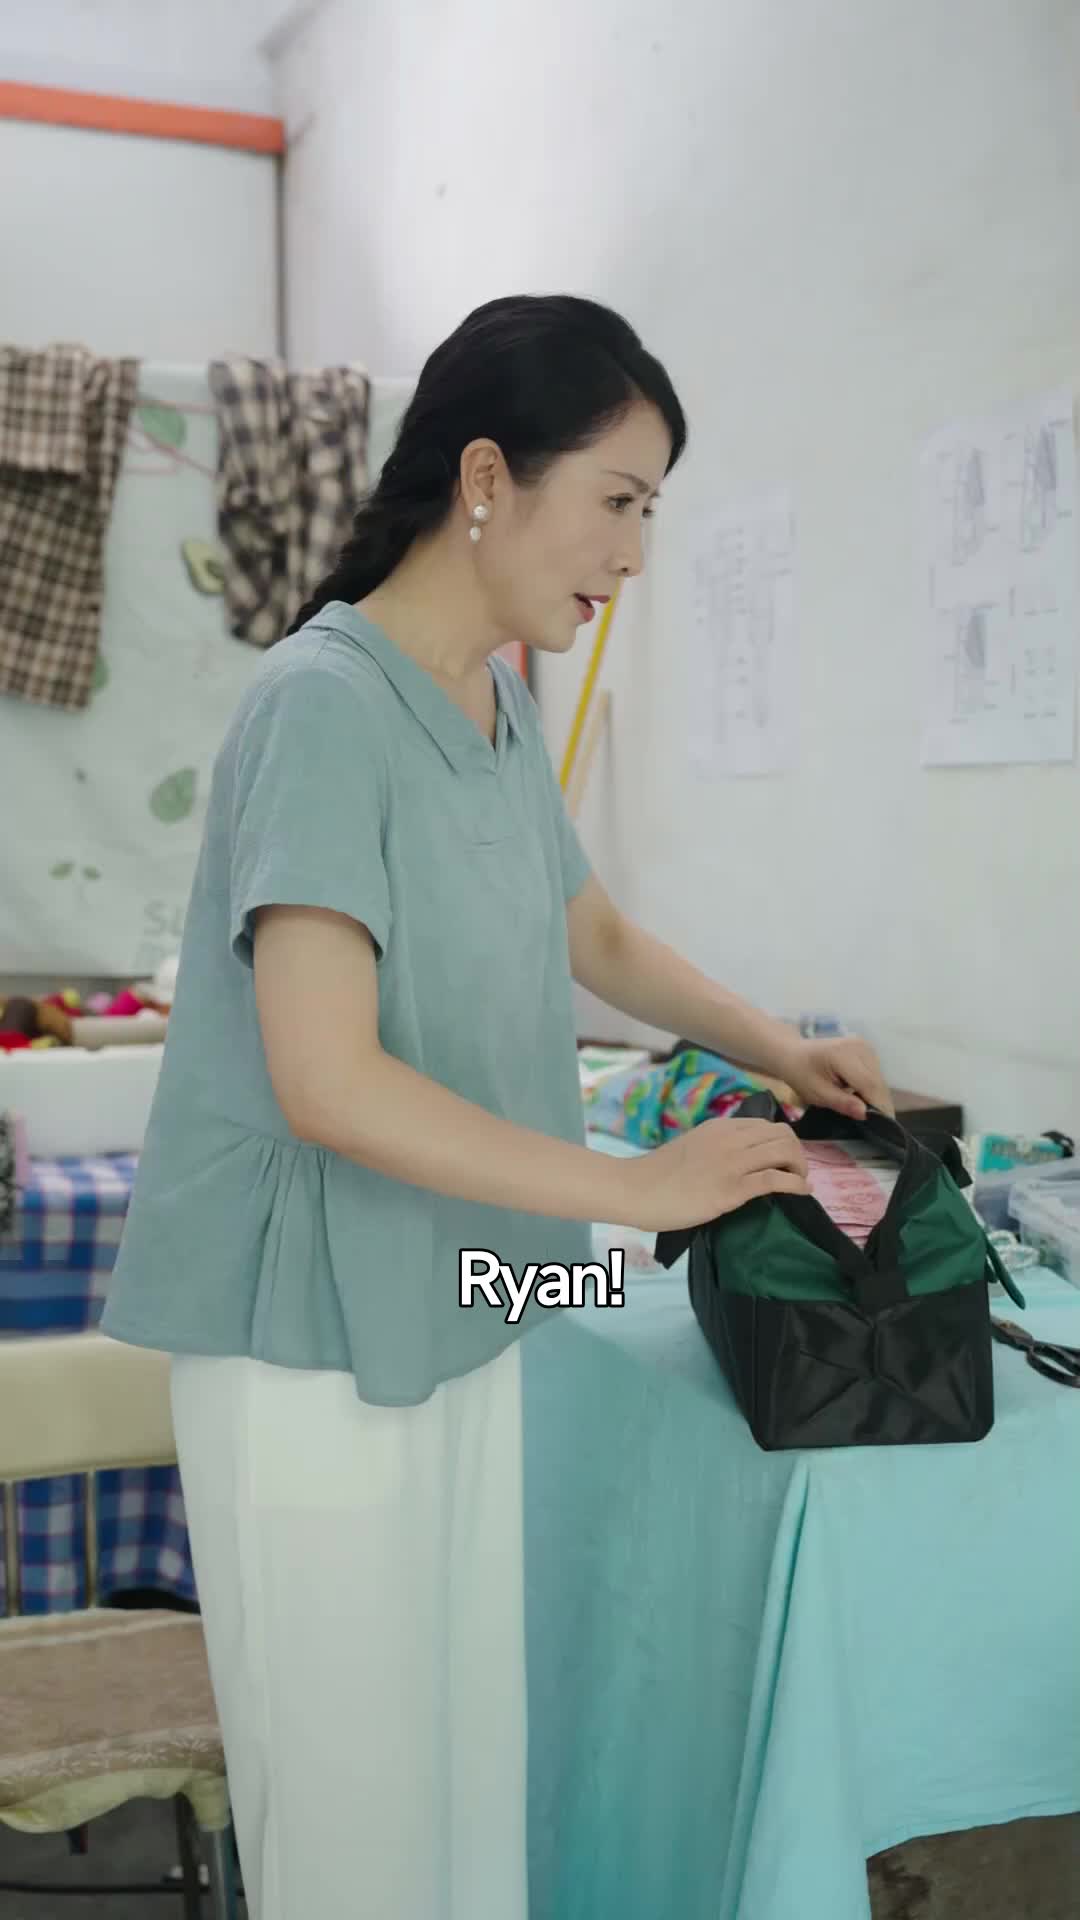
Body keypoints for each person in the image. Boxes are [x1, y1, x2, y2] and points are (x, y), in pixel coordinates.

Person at [100, 293, 892, 1918]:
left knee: (464, 1785)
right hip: (310, 1336)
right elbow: (324, 1080)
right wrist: (639, 1188)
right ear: (484, 477)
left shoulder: (495, 705)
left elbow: (592, 934)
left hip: (465, 1293)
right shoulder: (322, 706)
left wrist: (780, 1048)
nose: (636, 554)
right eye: (619, 500)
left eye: (652, 511)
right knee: (358, 1824)